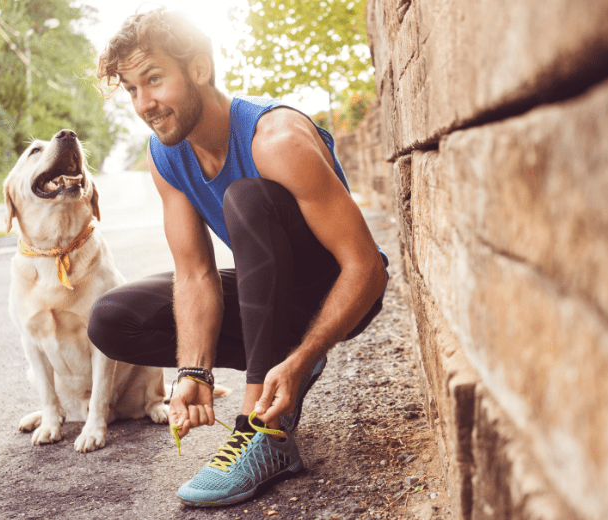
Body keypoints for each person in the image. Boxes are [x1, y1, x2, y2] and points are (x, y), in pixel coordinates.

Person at [89, 7, 389, 507]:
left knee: (245, 199)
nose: (144, 103)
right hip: (268, 290)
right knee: (112, 320)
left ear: (199, 69)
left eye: (154, 80)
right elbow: (195, 273)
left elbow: (368, 269)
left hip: (335, 290)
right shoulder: (165, 155)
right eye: (131, 89)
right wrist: (194, 372)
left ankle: (261, 432)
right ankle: (274, 365)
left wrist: (304, 356)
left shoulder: (276, 138)